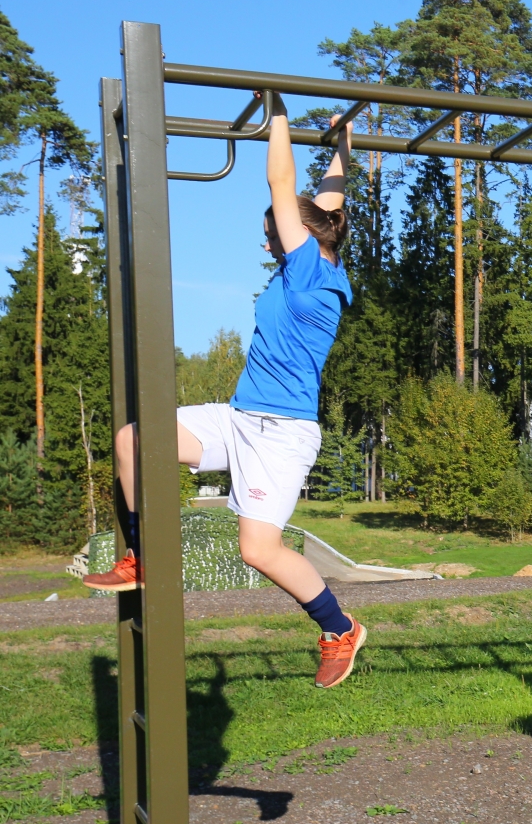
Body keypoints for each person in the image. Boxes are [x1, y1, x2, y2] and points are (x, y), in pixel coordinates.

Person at [86, 98, 366, 689]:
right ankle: (140, 557)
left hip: (279, 433)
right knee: (134, 440)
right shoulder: (324, 245)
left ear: (295, 237)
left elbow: (281, 179)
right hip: (238, 416)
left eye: (272, 234)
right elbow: (328, 198)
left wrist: (277, 110)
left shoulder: (309, 269)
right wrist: (342, 142)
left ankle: (339, 629)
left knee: (258, 551)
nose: (267, 244)